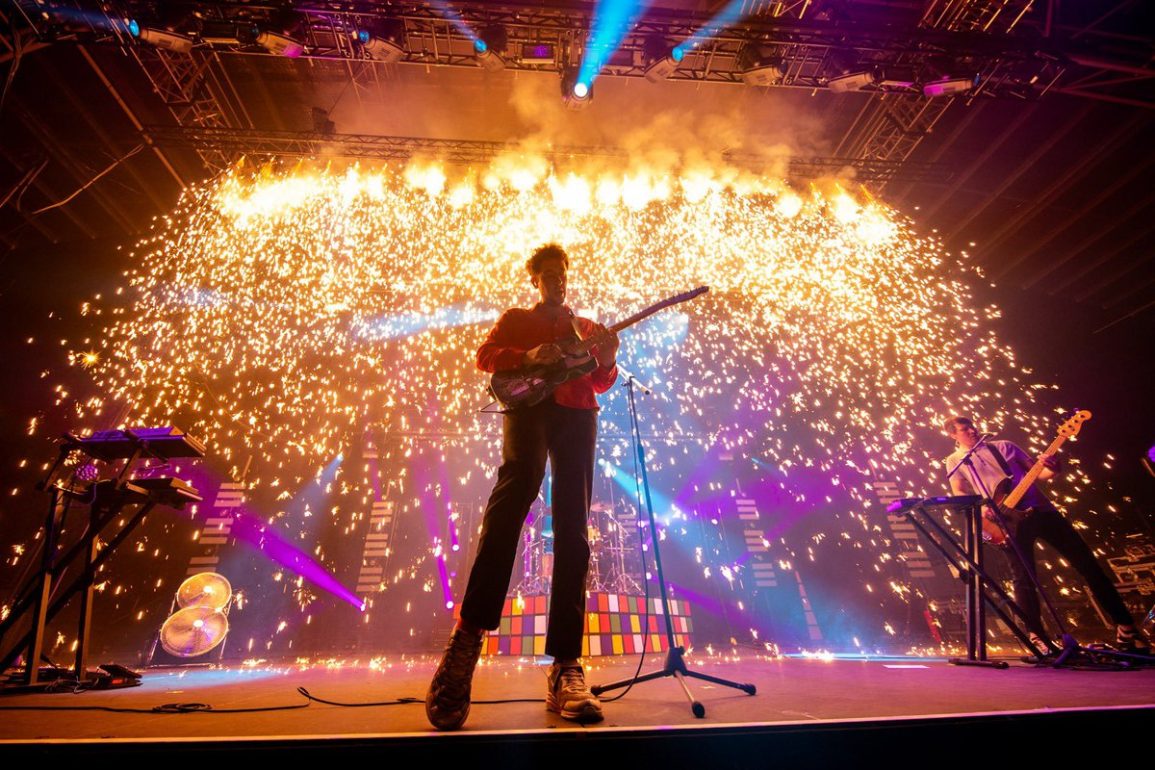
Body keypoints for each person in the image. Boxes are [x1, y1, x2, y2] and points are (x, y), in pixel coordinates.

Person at [426, 244, 619, 730]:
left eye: (562, 274)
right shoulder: (515, 318)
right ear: (535, 280)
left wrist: (608, 361)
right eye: (548, 275)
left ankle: (566, 666)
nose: (557, 282)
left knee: (574, 531)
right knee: (511, 505)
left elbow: (600, 381)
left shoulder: (589, 328)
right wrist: (529, 353)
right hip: (529, 410)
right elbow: (485, 356)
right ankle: (466, 643)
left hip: (578, 417)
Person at [942, 416, 1148, 655]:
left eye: (972, 425)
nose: (972, 430)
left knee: (1088, 565)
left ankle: (1126, 626)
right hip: (1006, 522)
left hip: (1043, 512)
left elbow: (1038, 474)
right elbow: (958, 492)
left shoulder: (1004, 446)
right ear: (953, 435)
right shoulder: (955, 461)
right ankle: (1037, 637)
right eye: (964, 429)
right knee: (1023, 580)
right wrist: (980, 508)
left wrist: (1053, 467)